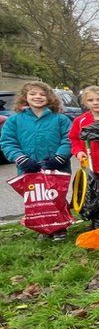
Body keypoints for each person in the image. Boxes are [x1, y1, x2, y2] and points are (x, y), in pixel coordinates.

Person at [0, 81, 72, 239]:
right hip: (29, 167)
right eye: (33, 94)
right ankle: (43, 227)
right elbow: (7, 142)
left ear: (50, 97)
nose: (38, 97)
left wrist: (60, 157)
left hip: (56, 166)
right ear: (25, 97)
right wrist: (21, 159)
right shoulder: (14, 121)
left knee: (56, 197)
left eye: (42, 94)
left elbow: (69, 139)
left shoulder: (60, 119)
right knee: (36, 199)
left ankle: (59, 228)